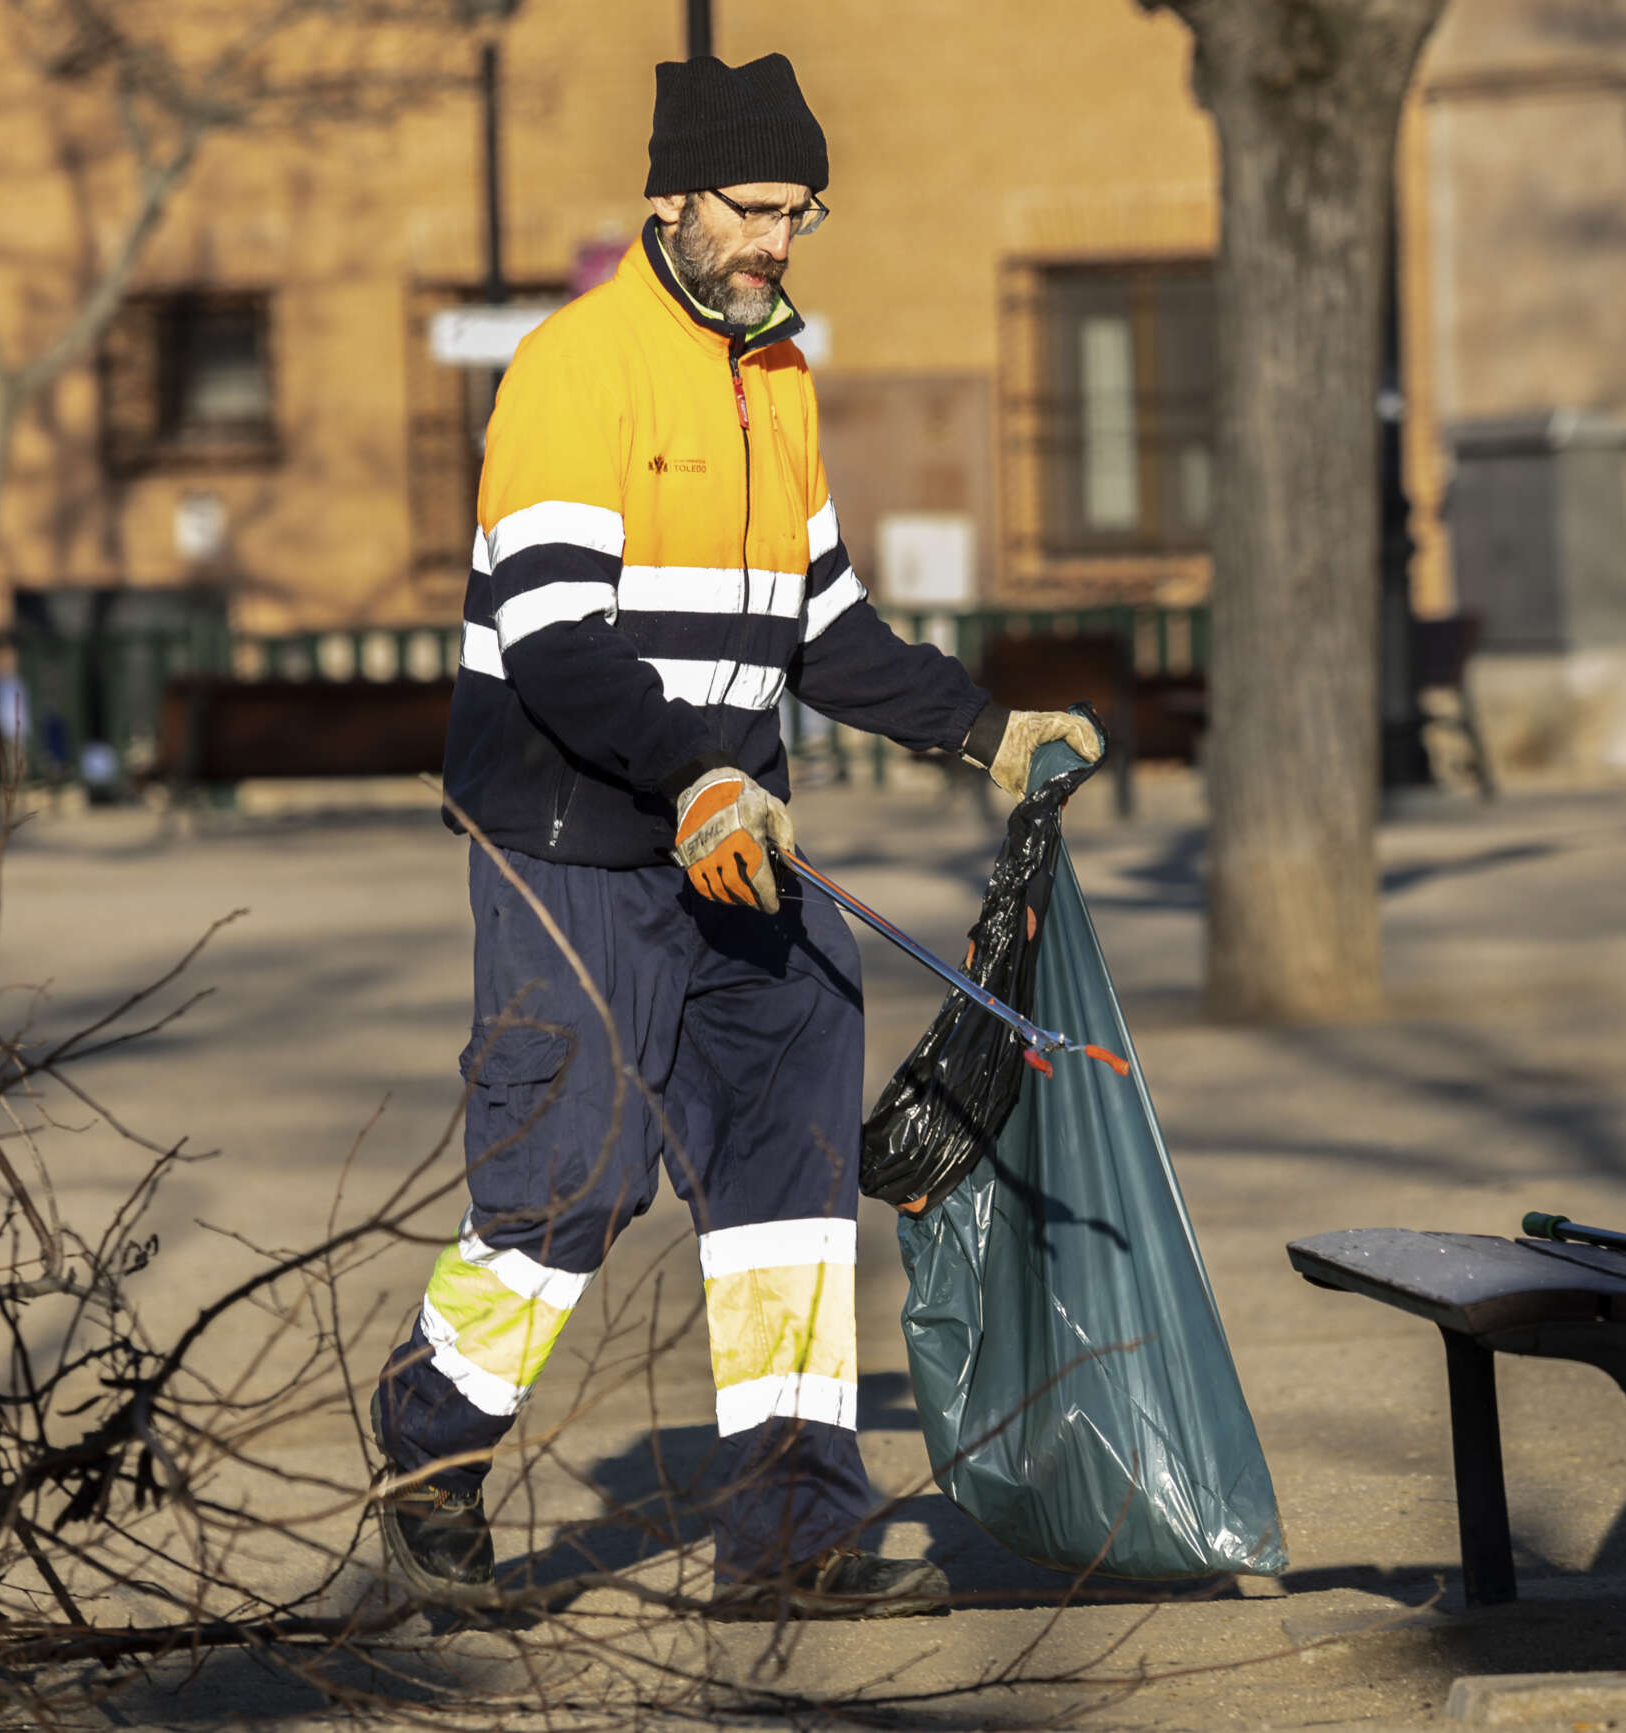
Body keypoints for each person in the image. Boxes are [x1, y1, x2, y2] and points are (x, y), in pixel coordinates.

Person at [370, 52, 1099, 1621]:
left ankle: (791, 1530)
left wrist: (983, 727)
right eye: (754, 207)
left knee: (788, 1193)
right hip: (573, 842)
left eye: (798, 211)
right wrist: (695, 775)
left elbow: (822, 628)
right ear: (670, 198)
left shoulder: (779, 379)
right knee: (565, 1187)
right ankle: (429, 1448)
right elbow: (559, 643)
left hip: (739, 852)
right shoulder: (578, 368)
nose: (777, 237)